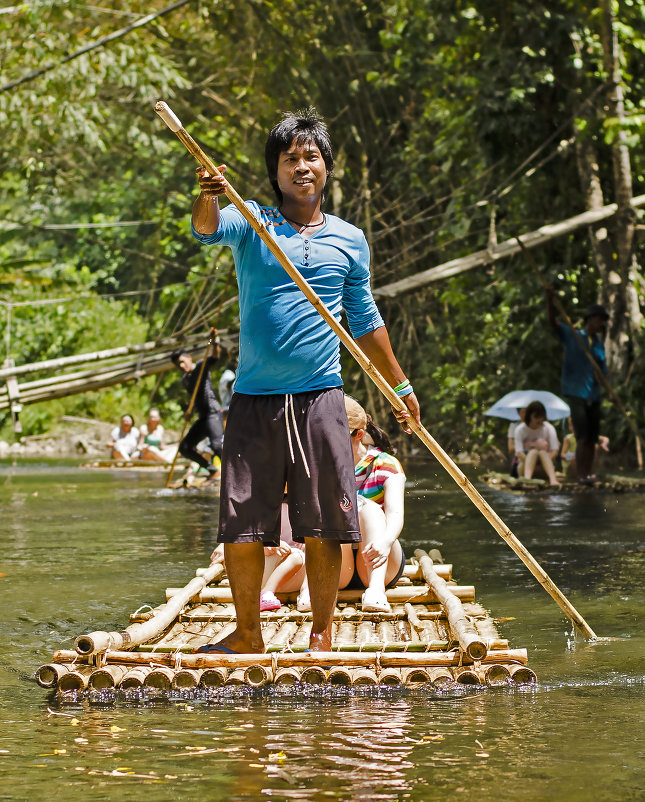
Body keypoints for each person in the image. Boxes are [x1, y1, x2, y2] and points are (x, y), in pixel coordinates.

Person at [191, 108, 420, 653]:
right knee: (243, 525)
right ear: (275, 172)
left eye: (310, 157)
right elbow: (205, 230)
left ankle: (322, 635)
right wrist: (208, 194)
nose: (301, 167)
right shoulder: (252, 222)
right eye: (289, 159)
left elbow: (364, 317)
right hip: (253, 400)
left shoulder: (349, 238)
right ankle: (248, 635)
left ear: (326, 168)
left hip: (321, 398)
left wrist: (400, 386)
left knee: (325, 524)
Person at [339, 396, 406, 614]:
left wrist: (385, 542)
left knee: (365, 508)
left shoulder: (385, 464)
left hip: (380, 561)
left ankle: (376, 592)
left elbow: (395, 515)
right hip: (338, 566)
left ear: (358, 435)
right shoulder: (320, 467)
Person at [547, 291, 608, 485]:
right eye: (599, 319)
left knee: (591, 437)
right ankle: (581, 475)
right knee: (581, 437)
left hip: (594, 394)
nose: (602, 324)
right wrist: (550, 302)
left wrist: (606, 385)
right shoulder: (573, 335)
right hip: (576, 392)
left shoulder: (598, 345)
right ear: (590, 319)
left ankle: (588, 474)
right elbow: (553, 323)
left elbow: (602, 373)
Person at [171, 341, 224, 481]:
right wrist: (190, 411)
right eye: (178, 365)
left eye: (182, 362)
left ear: (189, 357)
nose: (181, 366)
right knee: (185, 447)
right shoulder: (185, 379)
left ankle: (235, 474)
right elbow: (195, 398)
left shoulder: (201, 367)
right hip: (202, 417)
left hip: (213, 413)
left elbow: (215, 357)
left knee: (217, 445)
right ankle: (212, 470)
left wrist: (215, 342)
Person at [513, 400, 560, 486]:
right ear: (529, 416)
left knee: (542, 453)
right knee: (533, 452)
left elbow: (555, 451)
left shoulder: (549, 428)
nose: (539, 420)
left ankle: (553, 480)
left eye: (541, 417)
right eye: (536, 416)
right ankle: (527, 480)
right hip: (524, 467)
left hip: (544, 468)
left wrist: (543, 461)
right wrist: (531, 462)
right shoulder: (520, 430)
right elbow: (519, 453)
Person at [507, 407, 527, 477]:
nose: (526, 414)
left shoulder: (537, 427)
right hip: (519, 460)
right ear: (519, 413)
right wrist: (525, 445)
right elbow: (510, 448)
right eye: (524, 412)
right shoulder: (514, 426)